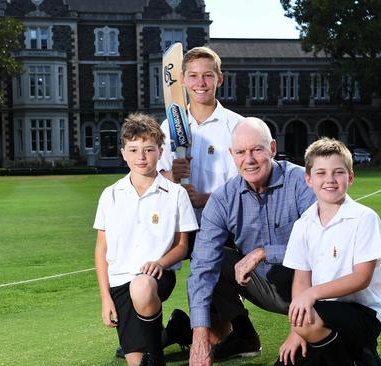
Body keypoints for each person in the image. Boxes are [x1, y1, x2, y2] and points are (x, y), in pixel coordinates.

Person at [187, 117, 317, 365]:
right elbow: (202, 268)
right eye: (240, 152)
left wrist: (263, 252)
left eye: (257, 149)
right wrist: (199, 338)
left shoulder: (303, 182)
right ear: (231, 155)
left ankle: (319, 333)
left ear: (273, 149)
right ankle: (244, 337)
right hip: (265, 287)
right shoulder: (222, 199)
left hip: (312, 289)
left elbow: (322, 247)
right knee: (215, 262)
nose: (249, 159)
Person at [93, 113, 198, 366]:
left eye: (149, 149)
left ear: (160, 152)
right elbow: (101, 250)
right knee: (135, 362)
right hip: (120, 283)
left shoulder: (175, 194)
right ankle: (175, 330)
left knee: (141, 286)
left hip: (157, 278)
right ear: (123, 153)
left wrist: (160, 264)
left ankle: (157, 357)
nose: (141, 157)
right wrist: (105, 297)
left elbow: (182, 246)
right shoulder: (110, 195)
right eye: (134, 149)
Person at [157, 46, 244, 350]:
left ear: (219, 79)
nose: (200, 82)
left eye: (208, 75)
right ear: (182, 80)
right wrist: (170, 175)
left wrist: (207, 198)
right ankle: (146, 336)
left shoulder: (237, 125)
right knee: (148, 268)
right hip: (180, 224)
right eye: (193, 76)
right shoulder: (170, 126)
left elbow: (245, 183)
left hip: (223, 224)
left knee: (214, 272)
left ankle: (227, 333)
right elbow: (152, 180)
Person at [279, 137, 381, 365]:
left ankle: (361, 353)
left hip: (363, 313)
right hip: (319, 315)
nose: (329, 180)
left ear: (350, 177)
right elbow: (301, 279)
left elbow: (362, 277)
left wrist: (311, 295)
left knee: (308, 319)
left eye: (338, 172)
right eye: (320, 173)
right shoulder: (303, 223)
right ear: (308, 179)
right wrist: (295, 332)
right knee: (287, 361)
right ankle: (362, 358)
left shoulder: (364, 218)